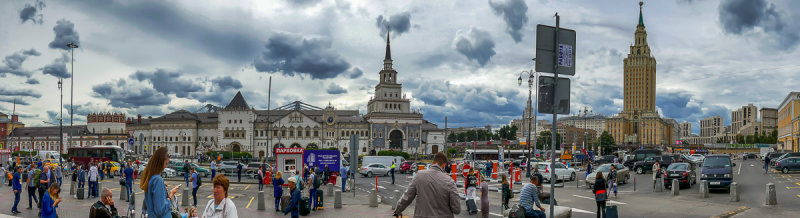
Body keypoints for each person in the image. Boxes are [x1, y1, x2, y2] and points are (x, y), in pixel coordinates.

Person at [394, 152, 460, 217]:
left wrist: (397, 211)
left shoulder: (419, 175)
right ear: (444, 165)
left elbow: (407, 197)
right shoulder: (449, 181)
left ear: (432, 163)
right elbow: (456, 209)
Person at [141, 147, 181, 218]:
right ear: (160, 163)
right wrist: (169, 198)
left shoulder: (150, 178)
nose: (165, 166)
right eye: (166, 163)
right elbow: (160, 210)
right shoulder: (157, 180)